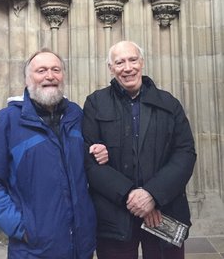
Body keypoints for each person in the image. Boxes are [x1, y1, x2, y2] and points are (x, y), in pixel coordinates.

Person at [0, 48, 108, 259]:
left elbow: (83, 165)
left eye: (56, 70)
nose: (50, 76)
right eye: (41, 70)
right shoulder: (6, 121)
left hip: (81, 246)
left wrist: (99, 151)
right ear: (27, 79)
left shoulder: (76, 114)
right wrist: (20, 228)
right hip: (34, 249)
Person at [82, 41, 196, 259]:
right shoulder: (95, 103)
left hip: (164, 210)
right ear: (110, 67)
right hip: (114, 214)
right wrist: (131, 195)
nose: (127, 67)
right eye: (119, 62)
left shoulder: (169, 103)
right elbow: (88, 161)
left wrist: (152, 194)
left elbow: (185, 153)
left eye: (133, 60)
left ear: (142, 62)